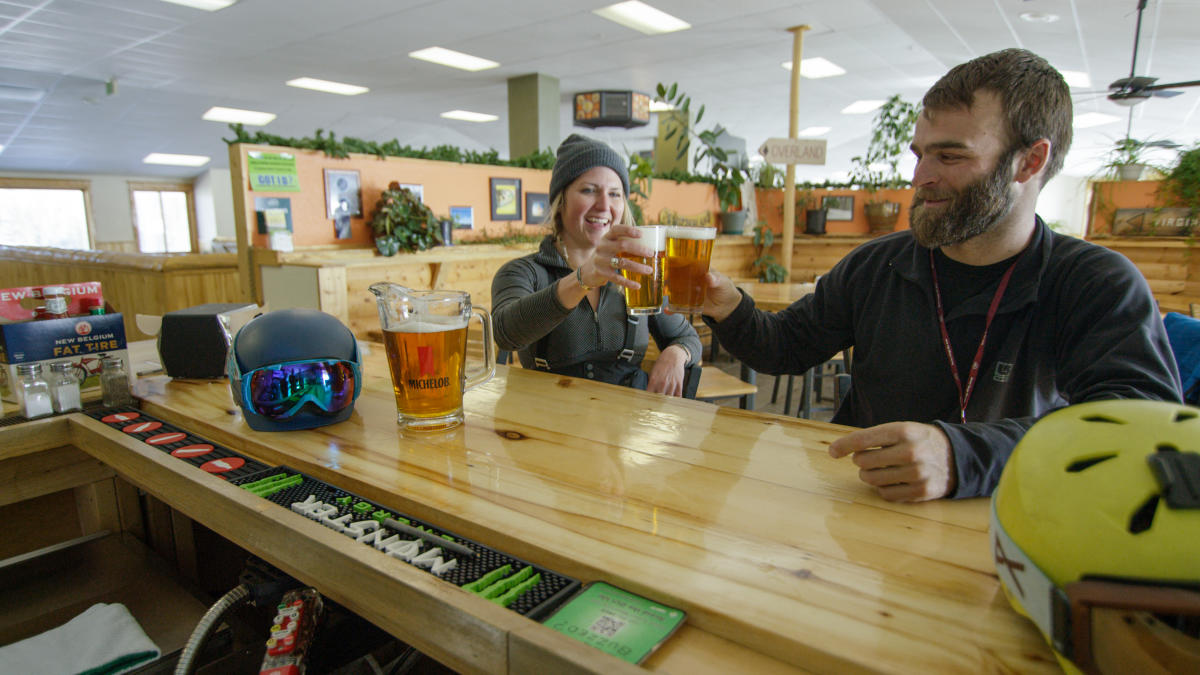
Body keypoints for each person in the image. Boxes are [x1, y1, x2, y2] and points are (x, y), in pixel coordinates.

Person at [699, 48, 1182, 501]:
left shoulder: (1095, 282)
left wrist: (961, 456)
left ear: (1029, 161)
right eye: (919, 154)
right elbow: (786, 346)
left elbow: (1143, 426)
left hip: (1014, 522)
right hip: (863, 508)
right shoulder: (878, 264)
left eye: (950, 156)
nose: (920, 177)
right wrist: (727, 304)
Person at [492, 134, 701, 395]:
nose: (604, 205)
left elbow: (688, 337)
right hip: (545, 423)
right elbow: (505, 333)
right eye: (589, 190)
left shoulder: (638, 271)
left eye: (614, 194)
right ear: (561, 200)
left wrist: (676, 354)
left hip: (624, 426)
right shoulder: (524, 272)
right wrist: (582, 278)